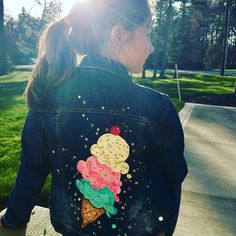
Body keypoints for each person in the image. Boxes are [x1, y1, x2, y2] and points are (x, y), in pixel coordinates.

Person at [0, 0, 188, 235]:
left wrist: (12, 221)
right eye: (148, 34)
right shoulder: (159, 108)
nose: (151, 46)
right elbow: (172, 183)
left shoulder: (49, 97)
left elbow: (32, 169)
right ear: (118, 35)